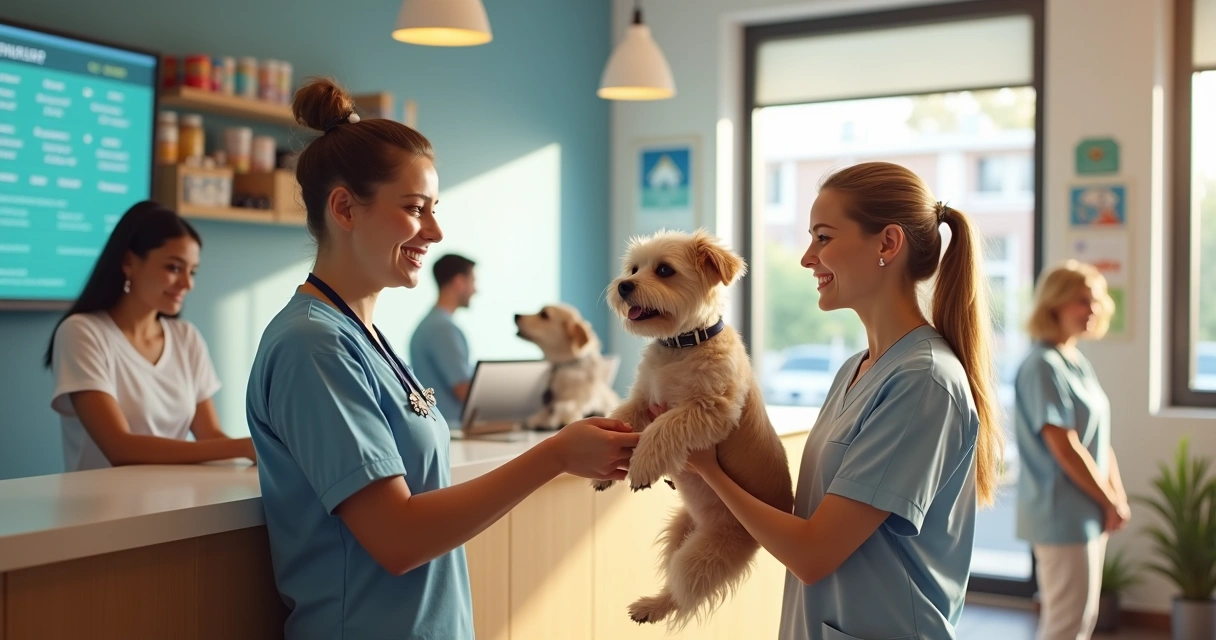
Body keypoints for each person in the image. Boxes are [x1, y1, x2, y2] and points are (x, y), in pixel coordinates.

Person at [245, 77, 638, 639]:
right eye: (415, 209)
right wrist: (554, 455)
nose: (435, 231)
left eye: (434, 209)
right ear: (344, 208)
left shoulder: (362, 335)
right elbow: (398, 537)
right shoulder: (312, 345)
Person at [674, 162, 1002, 640]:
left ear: (887, 244)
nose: (807, 258)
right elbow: (810, 522)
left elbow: (812, 554)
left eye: (823, 238)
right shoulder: (856, 368)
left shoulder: (923, 381)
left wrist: (710, 471)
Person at [44, 201, 255, 472]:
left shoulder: (186, 338)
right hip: (100, 500)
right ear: (128, 262)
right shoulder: (82, 333)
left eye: (192, 271)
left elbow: (210, 436)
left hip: (176, 496)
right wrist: (243, 447)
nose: (187, 284)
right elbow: (119, 447)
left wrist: (259, 455)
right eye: (174, 268)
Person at [1014, 260, 1127, 640]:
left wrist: (1115, 496)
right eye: (1082, 300)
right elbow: (1065, 448)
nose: (1093, 309)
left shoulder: (1074, 360)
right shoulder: (1042, 365)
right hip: (1060, 514)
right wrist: (1108, 500)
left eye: (1095, 300)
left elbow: (1099, 439)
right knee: (1066, 625)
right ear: (1054, 304)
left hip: (1087, 509)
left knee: (1080, 620)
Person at [410, 253, 476, 423]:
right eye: (473, 281)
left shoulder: (430, 324)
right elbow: (464, 390)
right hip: (451, 429)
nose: (475, 290)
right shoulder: (442, 329)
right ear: (459, 282)